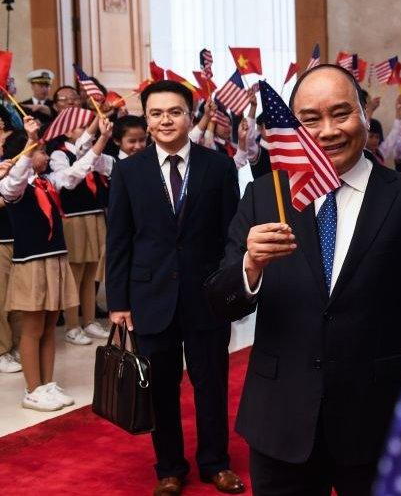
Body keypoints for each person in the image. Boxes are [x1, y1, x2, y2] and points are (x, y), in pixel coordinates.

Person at [205, 64, 401, 495]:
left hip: (379, 421)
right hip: (281, 419)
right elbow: (221, 301)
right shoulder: (266, 196)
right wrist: (250, 266)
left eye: (341, 114)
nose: (327, 131)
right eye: (310, 119)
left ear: (363, 113)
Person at [106, 80, 244, 496]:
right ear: (147, 120)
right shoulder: (128, 171)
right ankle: (168, 468)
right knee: (161, 389)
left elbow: (231, 236)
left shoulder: (218, 166)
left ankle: (216, 463)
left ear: (190, 114)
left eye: (175, 112)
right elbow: (120, 239)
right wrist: (118, 302)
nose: (166, 120)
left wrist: (231, 290)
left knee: (211, 384)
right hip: (150, 298)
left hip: (206, 298)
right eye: (157, 113)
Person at [0, 115, 112, 411]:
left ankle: (46, 383)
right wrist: (28, 141)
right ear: (24, 154)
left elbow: (77, 171)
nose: (46, 155)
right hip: (32, 263)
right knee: (33, 327)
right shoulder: (14, 187)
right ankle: (32, 389)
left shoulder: (47, 181)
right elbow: (14, 180)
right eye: (40, 151)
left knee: (50, 325)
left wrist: (101, 140)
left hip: (55, 259)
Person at [49, 116, 113, 346]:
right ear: (66, 133)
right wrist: (94, 147)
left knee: (91, 272)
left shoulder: (92, 152)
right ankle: (72, 325)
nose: (87, 132)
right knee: (74, 274)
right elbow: (69, 181)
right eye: (82, 127)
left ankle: (89, 320)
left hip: (95, 213)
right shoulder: (58, 154)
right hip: (73, 218)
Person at [0, 109, 21, 374]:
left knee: (18, 298)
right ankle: (2, 349)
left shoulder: (13, 156)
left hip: (21, 235)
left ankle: (18, 343)